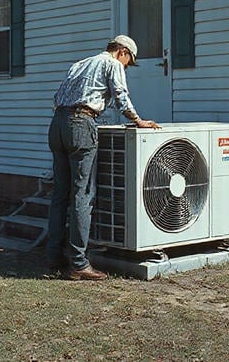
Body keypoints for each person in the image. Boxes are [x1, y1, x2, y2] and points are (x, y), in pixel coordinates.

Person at [45, 35, 160, 280]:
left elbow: (61, 95)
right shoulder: (112, 64)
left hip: (57, 125)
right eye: (128, 61)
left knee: (60, 194)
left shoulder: (80, 64)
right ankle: (78, 263)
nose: (127, 66)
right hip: (81, 124)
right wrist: (137, 121)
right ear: (122, 52)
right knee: (82, 194)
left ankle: (53, 256)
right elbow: (121, 95)